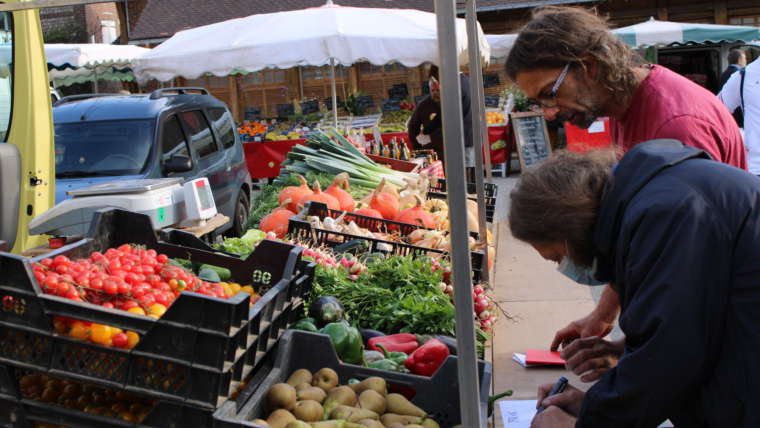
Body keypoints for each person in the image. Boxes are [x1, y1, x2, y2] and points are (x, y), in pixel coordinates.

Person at [504, 6, 747, 371]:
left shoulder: (676, 125)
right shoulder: (629, 105)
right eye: (539, 103)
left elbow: (690, 285)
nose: (549, 112)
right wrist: (605, 319)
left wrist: (628, 362)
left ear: (589, 66)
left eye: (550, 93)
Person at [509, 140, 760, 427]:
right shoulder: (650, 200)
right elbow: (687, 320)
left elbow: (670, 355)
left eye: (558, 257)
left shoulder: (665, 215)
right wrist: (617, 366)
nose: (564, 268)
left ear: (571, 230)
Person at [408, 65, 474, 176]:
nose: (436, 90)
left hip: (464, 140)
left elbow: (452, 121)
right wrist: (422, 141)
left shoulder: (458, 86)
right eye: (433, 89)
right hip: (457, 142)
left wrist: (430, 137)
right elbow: (442, 118)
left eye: (438, 85)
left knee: (465, 176)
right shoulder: (462, 82)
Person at [720, 57, 758, 174]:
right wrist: (737, 137)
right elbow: (716, 113)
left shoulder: (743, 75)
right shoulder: (744, 76)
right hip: (755, 168)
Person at [720, 49, 747, 128]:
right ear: (739, 60)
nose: (746, 61)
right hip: (739, 117)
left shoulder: (724, 73)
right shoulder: (739, 75)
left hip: (728, 116)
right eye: (745, 58)